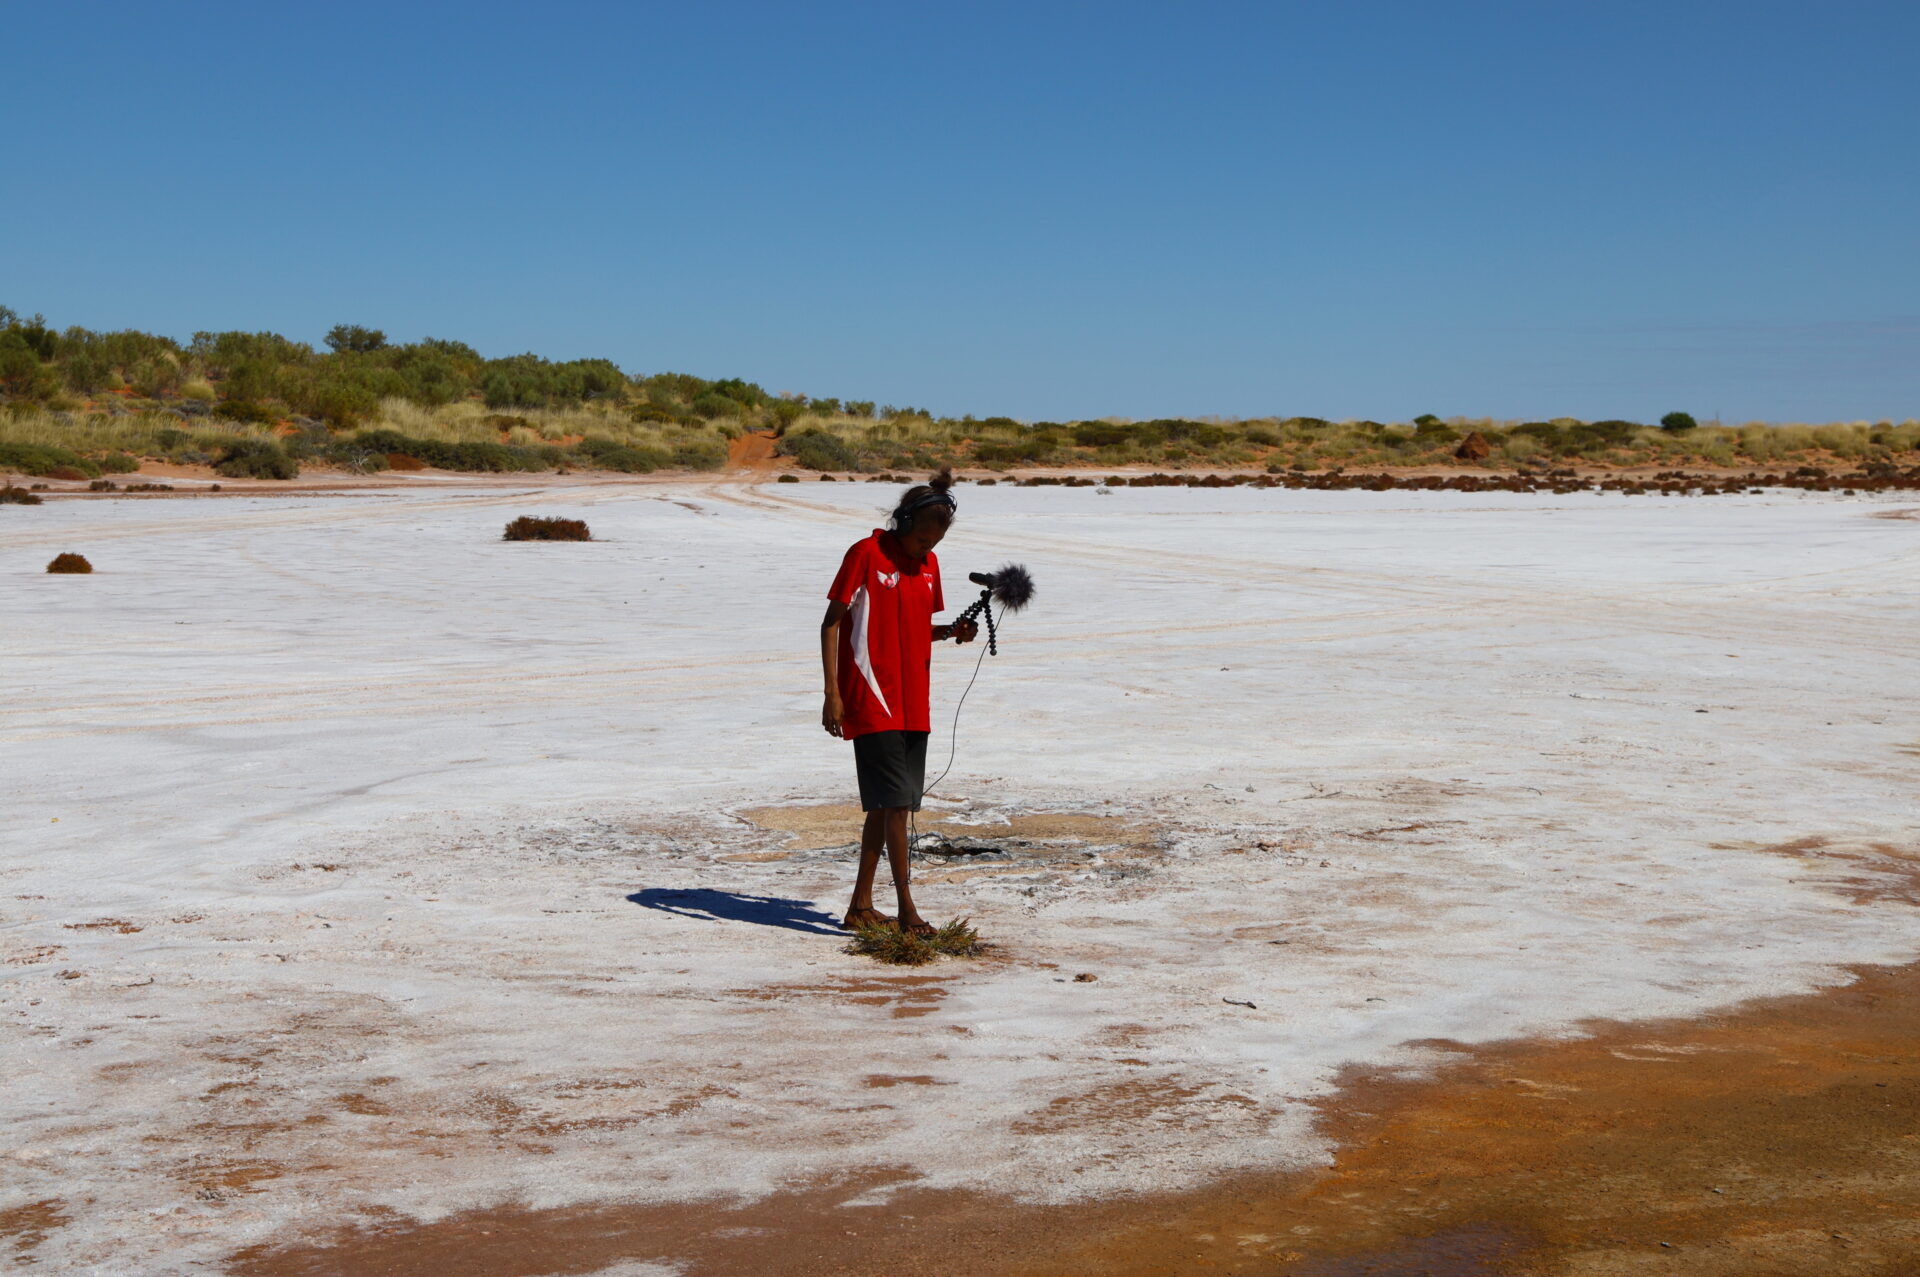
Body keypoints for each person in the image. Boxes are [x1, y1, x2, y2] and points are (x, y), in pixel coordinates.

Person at [819, 468, 978, 935]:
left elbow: (912, 629)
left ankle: (860, 906)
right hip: (870, 697)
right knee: (898, 806)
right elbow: (831, 623)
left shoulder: (929, 567)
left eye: (936, 541)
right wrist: (833, 692)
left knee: (887, 805)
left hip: (915, 703)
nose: (927, 548)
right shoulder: (865, 554)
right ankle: (907, 908)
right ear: (904, 523)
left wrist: (950, 632)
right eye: (923, 538)